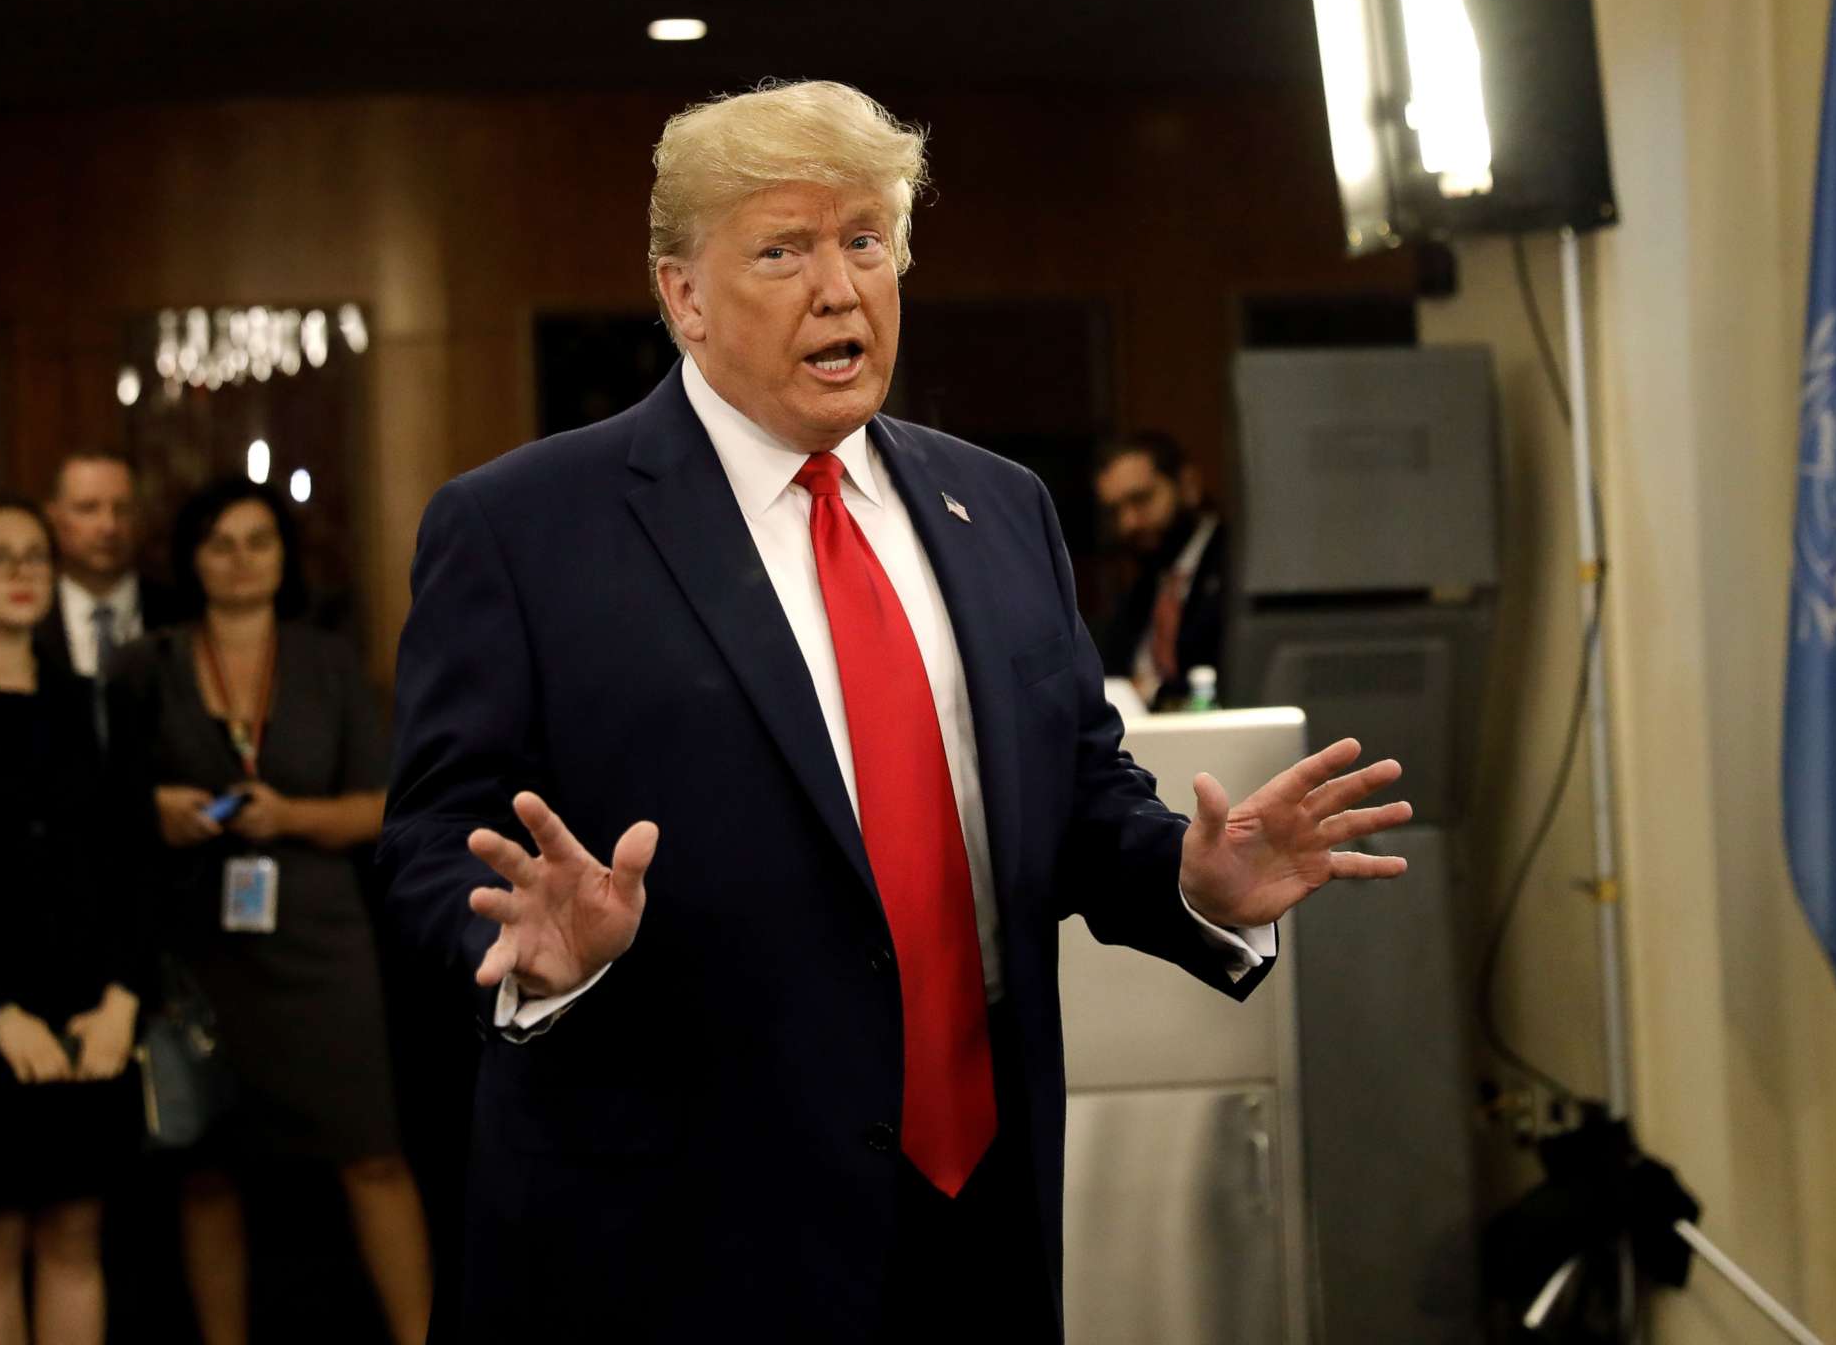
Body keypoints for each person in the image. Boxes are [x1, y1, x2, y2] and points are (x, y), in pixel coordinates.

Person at [376, 81, 1414, 1342]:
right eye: (783, 249)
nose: (838, 288)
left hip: (973, 1216)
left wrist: (1192, 882)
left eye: (866, 240)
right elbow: (434, 840)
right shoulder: (522, 529)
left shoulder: (1002, 509)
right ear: (683, 296)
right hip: (679, 1236)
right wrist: (534, 953)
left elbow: (1080, 798)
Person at [107, 478, 430, 1345]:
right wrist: (155, 810)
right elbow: (102, 805)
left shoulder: (327, 659)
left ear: (286, 557)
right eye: (222, 542)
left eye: (260, 540)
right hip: (198, 941)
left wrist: (289, 817)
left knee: (372, 1152)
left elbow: (383, 806)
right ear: (191, 560)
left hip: (322, 942)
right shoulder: (144, 664)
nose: (243, 559)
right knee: (208, 1169)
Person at [0, 495, 151, 1345]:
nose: (22, 574)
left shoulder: (92, 701)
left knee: (77, 1234)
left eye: (36, 557)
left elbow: (130, 861)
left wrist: (124, 997)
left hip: (92, 1007)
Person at [1092, 430, 1231, 709]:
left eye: (1141, 499)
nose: (1128, 523)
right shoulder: (1143, 584)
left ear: (1188, 486)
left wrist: (1151, 691)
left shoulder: (1235, 562)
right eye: (1116, 511)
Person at [37, 451, 177, 685]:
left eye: (122, 509)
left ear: (140, 516)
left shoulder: (180, 615)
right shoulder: (30, 618)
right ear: (53, 515)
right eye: (88, 508)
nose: (108, 526)